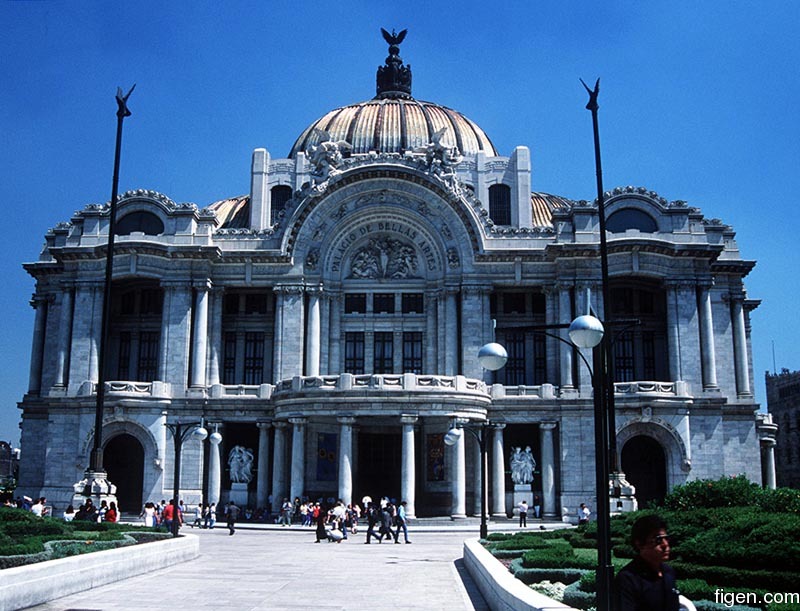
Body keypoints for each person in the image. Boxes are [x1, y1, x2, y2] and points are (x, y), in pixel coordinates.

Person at [615, 514, 680, 611]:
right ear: (640, 544)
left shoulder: (668, 572)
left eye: (666, 538)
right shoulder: (628, 579)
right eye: (658, 540)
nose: (665, 545)